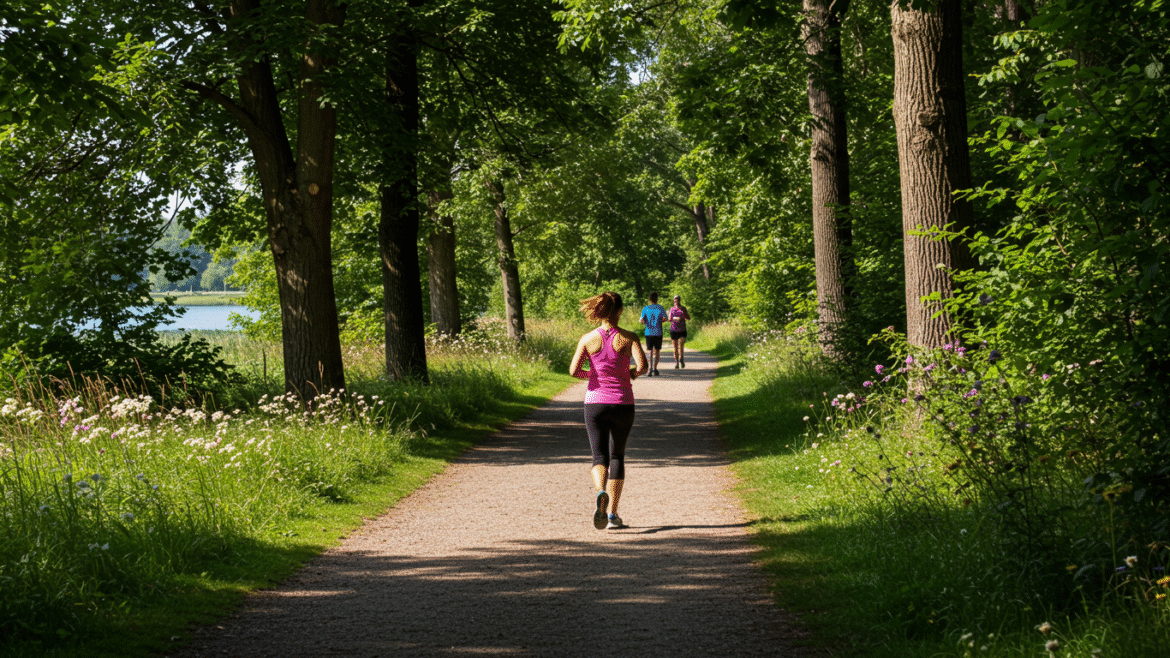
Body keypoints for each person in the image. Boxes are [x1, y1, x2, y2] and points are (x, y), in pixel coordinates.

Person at [569, 291, 648, 530]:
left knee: (598, 456)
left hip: (595, 403)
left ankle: (601, 491)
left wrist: (591, 375)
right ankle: (612, 514)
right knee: (617, 456)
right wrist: (631, 373)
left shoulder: (587, 339)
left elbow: (574, 370)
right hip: (623, 403)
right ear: (620, 310)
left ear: (600, 311)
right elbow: (643, 366)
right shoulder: (629, 337)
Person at [638, 291, 667, 376]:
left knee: (650, 350)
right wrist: (659, 321)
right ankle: (655, 368)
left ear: (649, 299)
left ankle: (650, 369)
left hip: (649, 332)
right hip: (658, 332)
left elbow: (641, 320)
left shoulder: (645, 308)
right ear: (657, 299)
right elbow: (665, 318)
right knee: (657, 350)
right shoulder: (660, 308)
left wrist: (645, 322)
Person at [667, 294, 691, 369]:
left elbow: (688, 318)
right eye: (675, 299)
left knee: (681, 346)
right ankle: (677, 362)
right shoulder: (672, 309)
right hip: (674, 329)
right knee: (675, 347)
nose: (676, 300)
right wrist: (672, 318)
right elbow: (669, 319)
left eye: (677, 299)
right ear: (674, 300)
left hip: (682, 329)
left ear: (679, 300)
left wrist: (683, 316)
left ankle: (682, 359)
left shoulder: (683, 308)